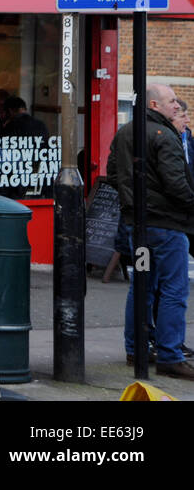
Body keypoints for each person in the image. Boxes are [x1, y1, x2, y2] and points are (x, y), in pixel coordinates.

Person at [107, 83, 194, 379]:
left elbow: (113, 172)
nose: (176, 106)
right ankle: (170, 354)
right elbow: (176, 184)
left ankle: (136, 348)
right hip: (166, 228)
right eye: (171, 101)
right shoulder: (164, 135)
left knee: (142, 286)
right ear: (154, 105)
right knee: (173, 289)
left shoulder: (125, 132)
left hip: (138, 227)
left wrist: (132, 203)